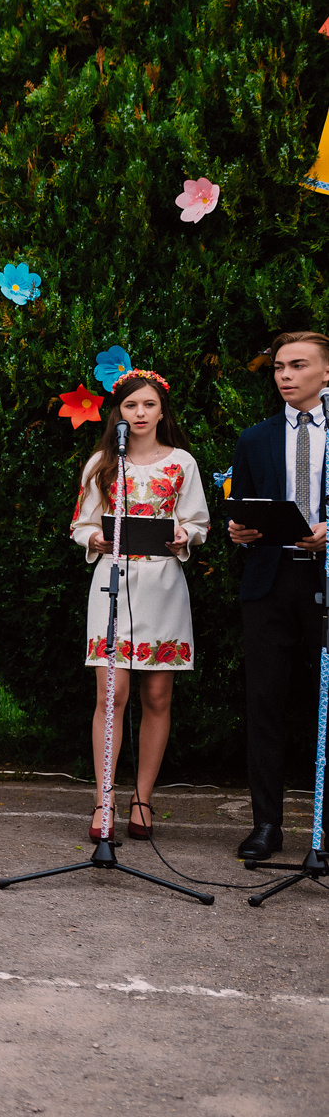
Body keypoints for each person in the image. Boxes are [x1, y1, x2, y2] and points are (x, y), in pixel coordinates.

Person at [69, 372, 208, 841]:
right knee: (111, 695)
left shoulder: (183, 463)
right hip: (112, 580)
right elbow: (80, 524)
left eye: (149, 405)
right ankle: (102, 798)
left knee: (157, 696)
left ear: (162, 411)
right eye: (131, 407)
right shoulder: (102, 464)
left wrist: (186, 534)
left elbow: (198, 519)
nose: (141, 413)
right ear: (119, 414)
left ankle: (142, 798)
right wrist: (96, 538)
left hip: (163, 585)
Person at [227, 330, 329, 861]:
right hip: (270, 584)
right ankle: (266, 823)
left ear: (326, 373)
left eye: (297, 365)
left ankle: (324, 828)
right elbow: (245, 506)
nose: (285, 375)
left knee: (326, 707)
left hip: (325, 582)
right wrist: (239, 530)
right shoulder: (256, 438)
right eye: (278, 368)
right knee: (264, 704)